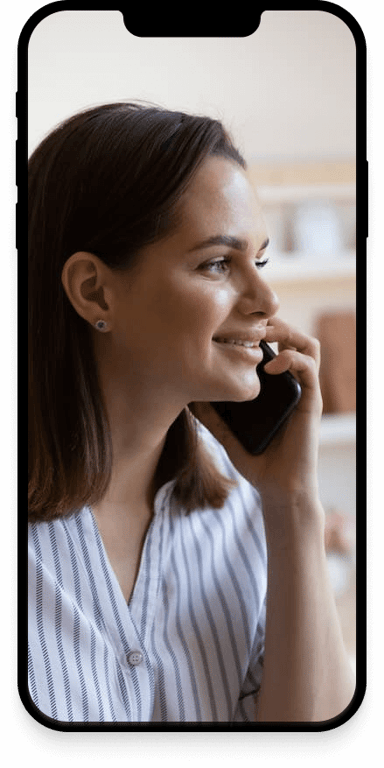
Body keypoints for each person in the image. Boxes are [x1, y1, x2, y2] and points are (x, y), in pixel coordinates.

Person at [28, 102, 355, 723]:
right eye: (217, 264)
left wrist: (292, 505)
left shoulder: (248, 516)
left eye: (258, 260)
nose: (266, 299)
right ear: (95, 290)